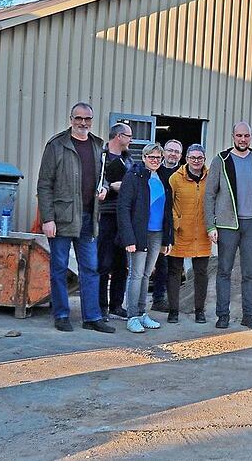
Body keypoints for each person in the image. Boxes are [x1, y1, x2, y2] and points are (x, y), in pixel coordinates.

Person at [36, 102, 114, 333]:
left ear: (92, 120)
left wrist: (105, 189)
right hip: (61, 217)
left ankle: (92, 317)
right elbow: (44, 184)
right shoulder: (57, 145)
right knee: (59, 268)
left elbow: (104, 177)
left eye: (87, 119)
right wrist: (47, 219)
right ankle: (61, 315)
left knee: (90, 268)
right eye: (78, 118)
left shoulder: (98, 146)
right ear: (71, 119)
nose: (83, 123)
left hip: (89, 218)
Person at [205, 122, 252, 329]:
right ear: (233, 136)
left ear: (250, 137)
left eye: (246, 136)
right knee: (224, 270)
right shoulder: (222, 160)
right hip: (227, 225)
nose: (242, 139)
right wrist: (211, 226)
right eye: (239, 136)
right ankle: (222, 315)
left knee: (250, 273)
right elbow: (209, 195)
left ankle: (249, 316)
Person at [117, 143, 173, 333]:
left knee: (147, 274)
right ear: (144, 158)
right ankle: (132, 315)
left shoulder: (164, 178)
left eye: (158, 157)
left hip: (157, 233)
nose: (155, 160)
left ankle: (142, 313)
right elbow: (123, 208)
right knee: (136, 274)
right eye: (151, 157)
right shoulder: (133, 176)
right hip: (139, 233)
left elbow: (168, 211)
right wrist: (128, 238)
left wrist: (167, 239)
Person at [165, 144, 212, 324]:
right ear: (186, 158)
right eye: (193, 157)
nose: (196, 161)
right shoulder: (175, 178)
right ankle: (173, 310)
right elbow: (169, 204)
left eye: (200, 158)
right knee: (175, 272)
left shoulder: (211, 178)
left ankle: (199, 310)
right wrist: (175, 223)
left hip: (202, 233)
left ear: (204, 160)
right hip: (180, 232)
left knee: (201, 272)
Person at [97, 122, 133, 320]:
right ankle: (101, 306)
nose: (130, 140)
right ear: (119, 136)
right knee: (104, 262)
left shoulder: (129, 160)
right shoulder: (101, 158)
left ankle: (116, 305)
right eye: (129, 136)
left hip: (124, 216)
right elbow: (95, 184)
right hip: (105, 215)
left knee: (121, 263)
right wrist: (112, 187)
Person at [149, 139, 183, 312]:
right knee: (160, 262)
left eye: (176, 152)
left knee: (175, 264)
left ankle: (173, 299)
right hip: (158, 223)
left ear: (181, 155)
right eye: (170, 150)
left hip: (178, 224)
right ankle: (158, 298)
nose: (173, 154)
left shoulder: (183, 173)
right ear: (164, 153)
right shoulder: (156, 172)